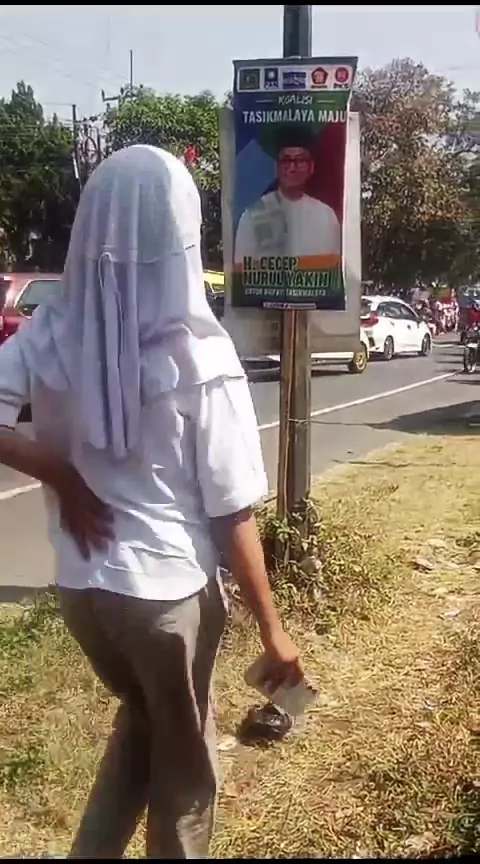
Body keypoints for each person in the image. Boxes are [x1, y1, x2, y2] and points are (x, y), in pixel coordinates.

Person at [0, 145, 301, 859]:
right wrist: (274, 631)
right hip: (166, 600)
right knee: (186, 775)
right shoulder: (200, 355)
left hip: (83, 592)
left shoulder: (49, 331)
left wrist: (60, 473)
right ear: (183, 235)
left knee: (141, 729)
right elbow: (233, 514)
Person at [234, 125, 341, 263]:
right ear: (276, 167)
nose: (292, 168)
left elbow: (333, 266)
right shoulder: (253, 215)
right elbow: (241, 268)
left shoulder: (326, 216)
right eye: (286, 160)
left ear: (311, 167)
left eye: (300, 160)